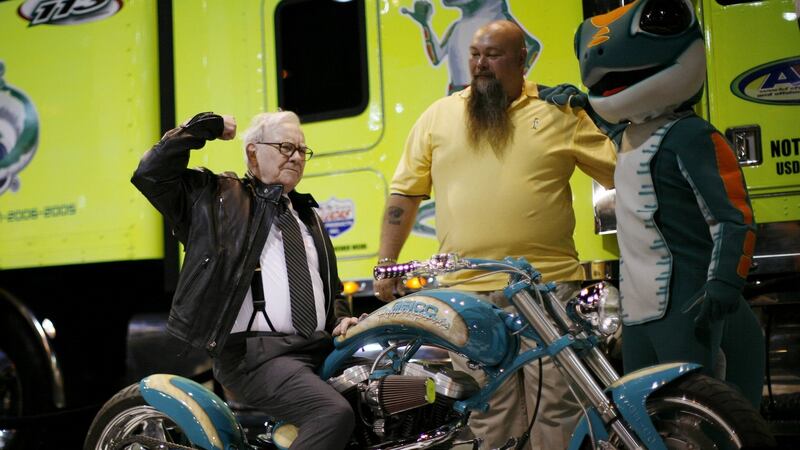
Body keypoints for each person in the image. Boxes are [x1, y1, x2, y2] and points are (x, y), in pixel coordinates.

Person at [374, 20, 616, 450]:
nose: (481, 64)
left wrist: (600, 113)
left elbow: (620, 170)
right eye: (475, 55)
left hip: (545, 289)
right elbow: (405, 194)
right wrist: (386, 261)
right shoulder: (439, 116)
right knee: (488, 413)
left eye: (494, 54)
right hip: (467, 295)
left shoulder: (559, 112)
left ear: (523, 60)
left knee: (557, 407)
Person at [573, 0, 764, 407]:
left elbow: (734, 219)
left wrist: (724, 282)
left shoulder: (693, 136)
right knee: (649, 412)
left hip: (688, 301)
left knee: (701, 409)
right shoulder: (629, 134)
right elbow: (610, 123)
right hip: (638, 306)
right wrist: (579, 101)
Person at [131, 111, 356, 450]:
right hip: (256, 357)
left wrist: (340, 319)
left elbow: (330, 287)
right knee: (331, 413)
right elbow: (151, 175)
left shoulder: (307, 214)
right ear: (253, 152)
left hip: (318, 347)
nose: (296, 156)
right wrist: (201, 128)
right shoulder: (216, 199)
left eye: (301, 150)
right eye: (284, 146)